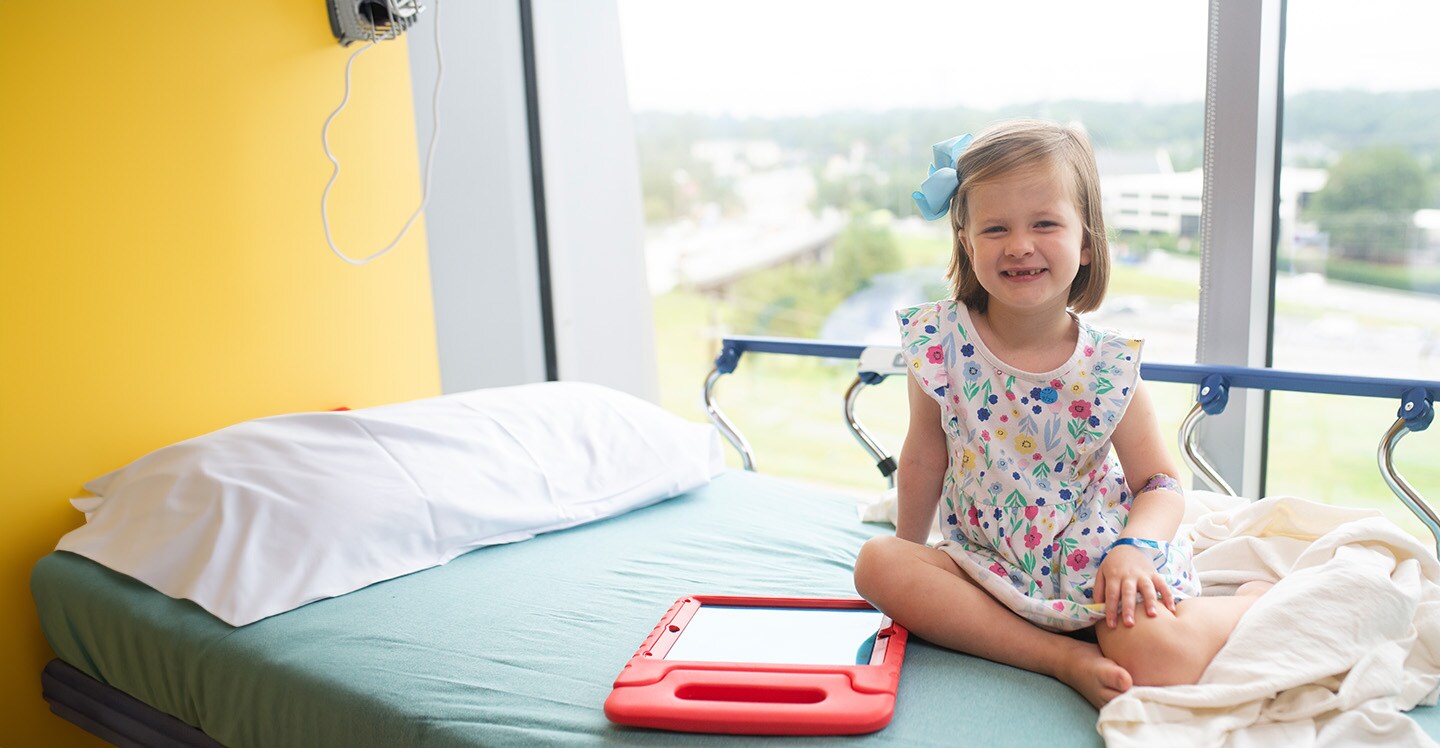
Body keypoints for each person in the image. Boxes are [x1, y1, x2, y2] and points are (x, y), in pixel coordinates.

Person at [852, 119, 1270, 709]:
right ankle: (1061, 658)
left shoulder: (1108, 365)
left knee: (1158, 659)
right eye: (995, 228)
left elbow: (1161, 483)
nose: (1019, 245)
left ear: (1086, 242)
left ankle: (1247, 604)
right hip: (986, 565)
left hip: (1098, 567)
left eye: (1044, 224)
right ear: (967, 243)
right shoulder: (940, 342)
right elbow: (923, 456)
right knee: (877, 565)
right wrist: (913, 559)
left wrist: (1136, 549)